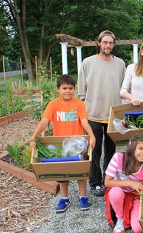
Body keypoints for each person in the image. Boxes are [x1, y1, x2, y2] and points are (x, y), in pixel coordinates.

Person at [29, 75, 96, 213]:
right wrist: (33, 137)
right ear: (58, 89)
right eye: (64, 88)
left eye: (70, 88)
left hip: (77, 143)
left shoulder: (78, 104)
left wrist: (91, 135)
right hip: (60, 143)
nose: (67, 91)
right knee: (62, 171)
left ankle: (83, 196)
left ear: (74, 89)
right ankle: (64, 198)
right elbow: (44, 121)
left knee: (80, 170)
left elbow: (84, 121)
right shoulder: (53, 104)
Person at [78, 30, 126, 196]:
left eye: (111, 42)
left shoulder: (120, 64)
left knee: (111, 151)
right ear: (99, 43)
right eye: (105, 42)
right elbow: (81, 92)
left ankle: (108, 180)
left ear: (113, 45)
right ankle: (95, 183)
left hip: (113, 116)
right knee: (95, 150)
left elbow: (123, 89)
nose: (108, 45)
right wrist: (82, 115)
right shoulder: (87, 62)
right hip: (93, 115)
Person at [104, 134, 143, 233]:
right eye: (140, 148)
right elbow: (107, 182)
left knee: (138, 230)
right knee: (115, 192)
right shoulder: (119, 157)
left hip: (135, 196)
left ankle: (135, 213)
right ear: (132, 148)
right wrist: (130, 183)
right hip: (119, 193)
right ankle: (120, 219)